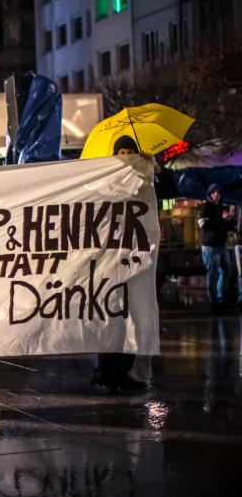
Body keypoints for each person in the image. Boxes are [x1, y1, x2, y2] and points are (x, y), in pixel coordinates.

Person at [91, 136, 158, 392]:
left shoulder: (144, 177)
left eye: (131, 150)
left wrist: (154, 170)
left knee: (134, 316)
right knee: (112, 316)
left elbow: (166, 192)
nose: (127, 154)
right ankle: (106, 371)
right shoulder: (106, 180)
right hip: (111, 258)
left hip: (137, 256)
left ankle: (121, 370)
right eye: (122, 150)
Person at [198, 182, 234, 313]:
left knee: (227, 271)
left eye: (218, 192)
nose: (216, 195)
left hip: (221, 245)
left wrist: (229, 220)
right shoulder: (205, 207)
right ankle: (214, 302)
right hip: (210, 246)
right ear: (209, 194)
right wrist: (221, 218)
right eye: (214, 192)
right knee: (212, 274)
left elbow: (229, 227)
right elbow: (204, 225)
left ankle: (220, 299)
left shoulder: (221, 207)